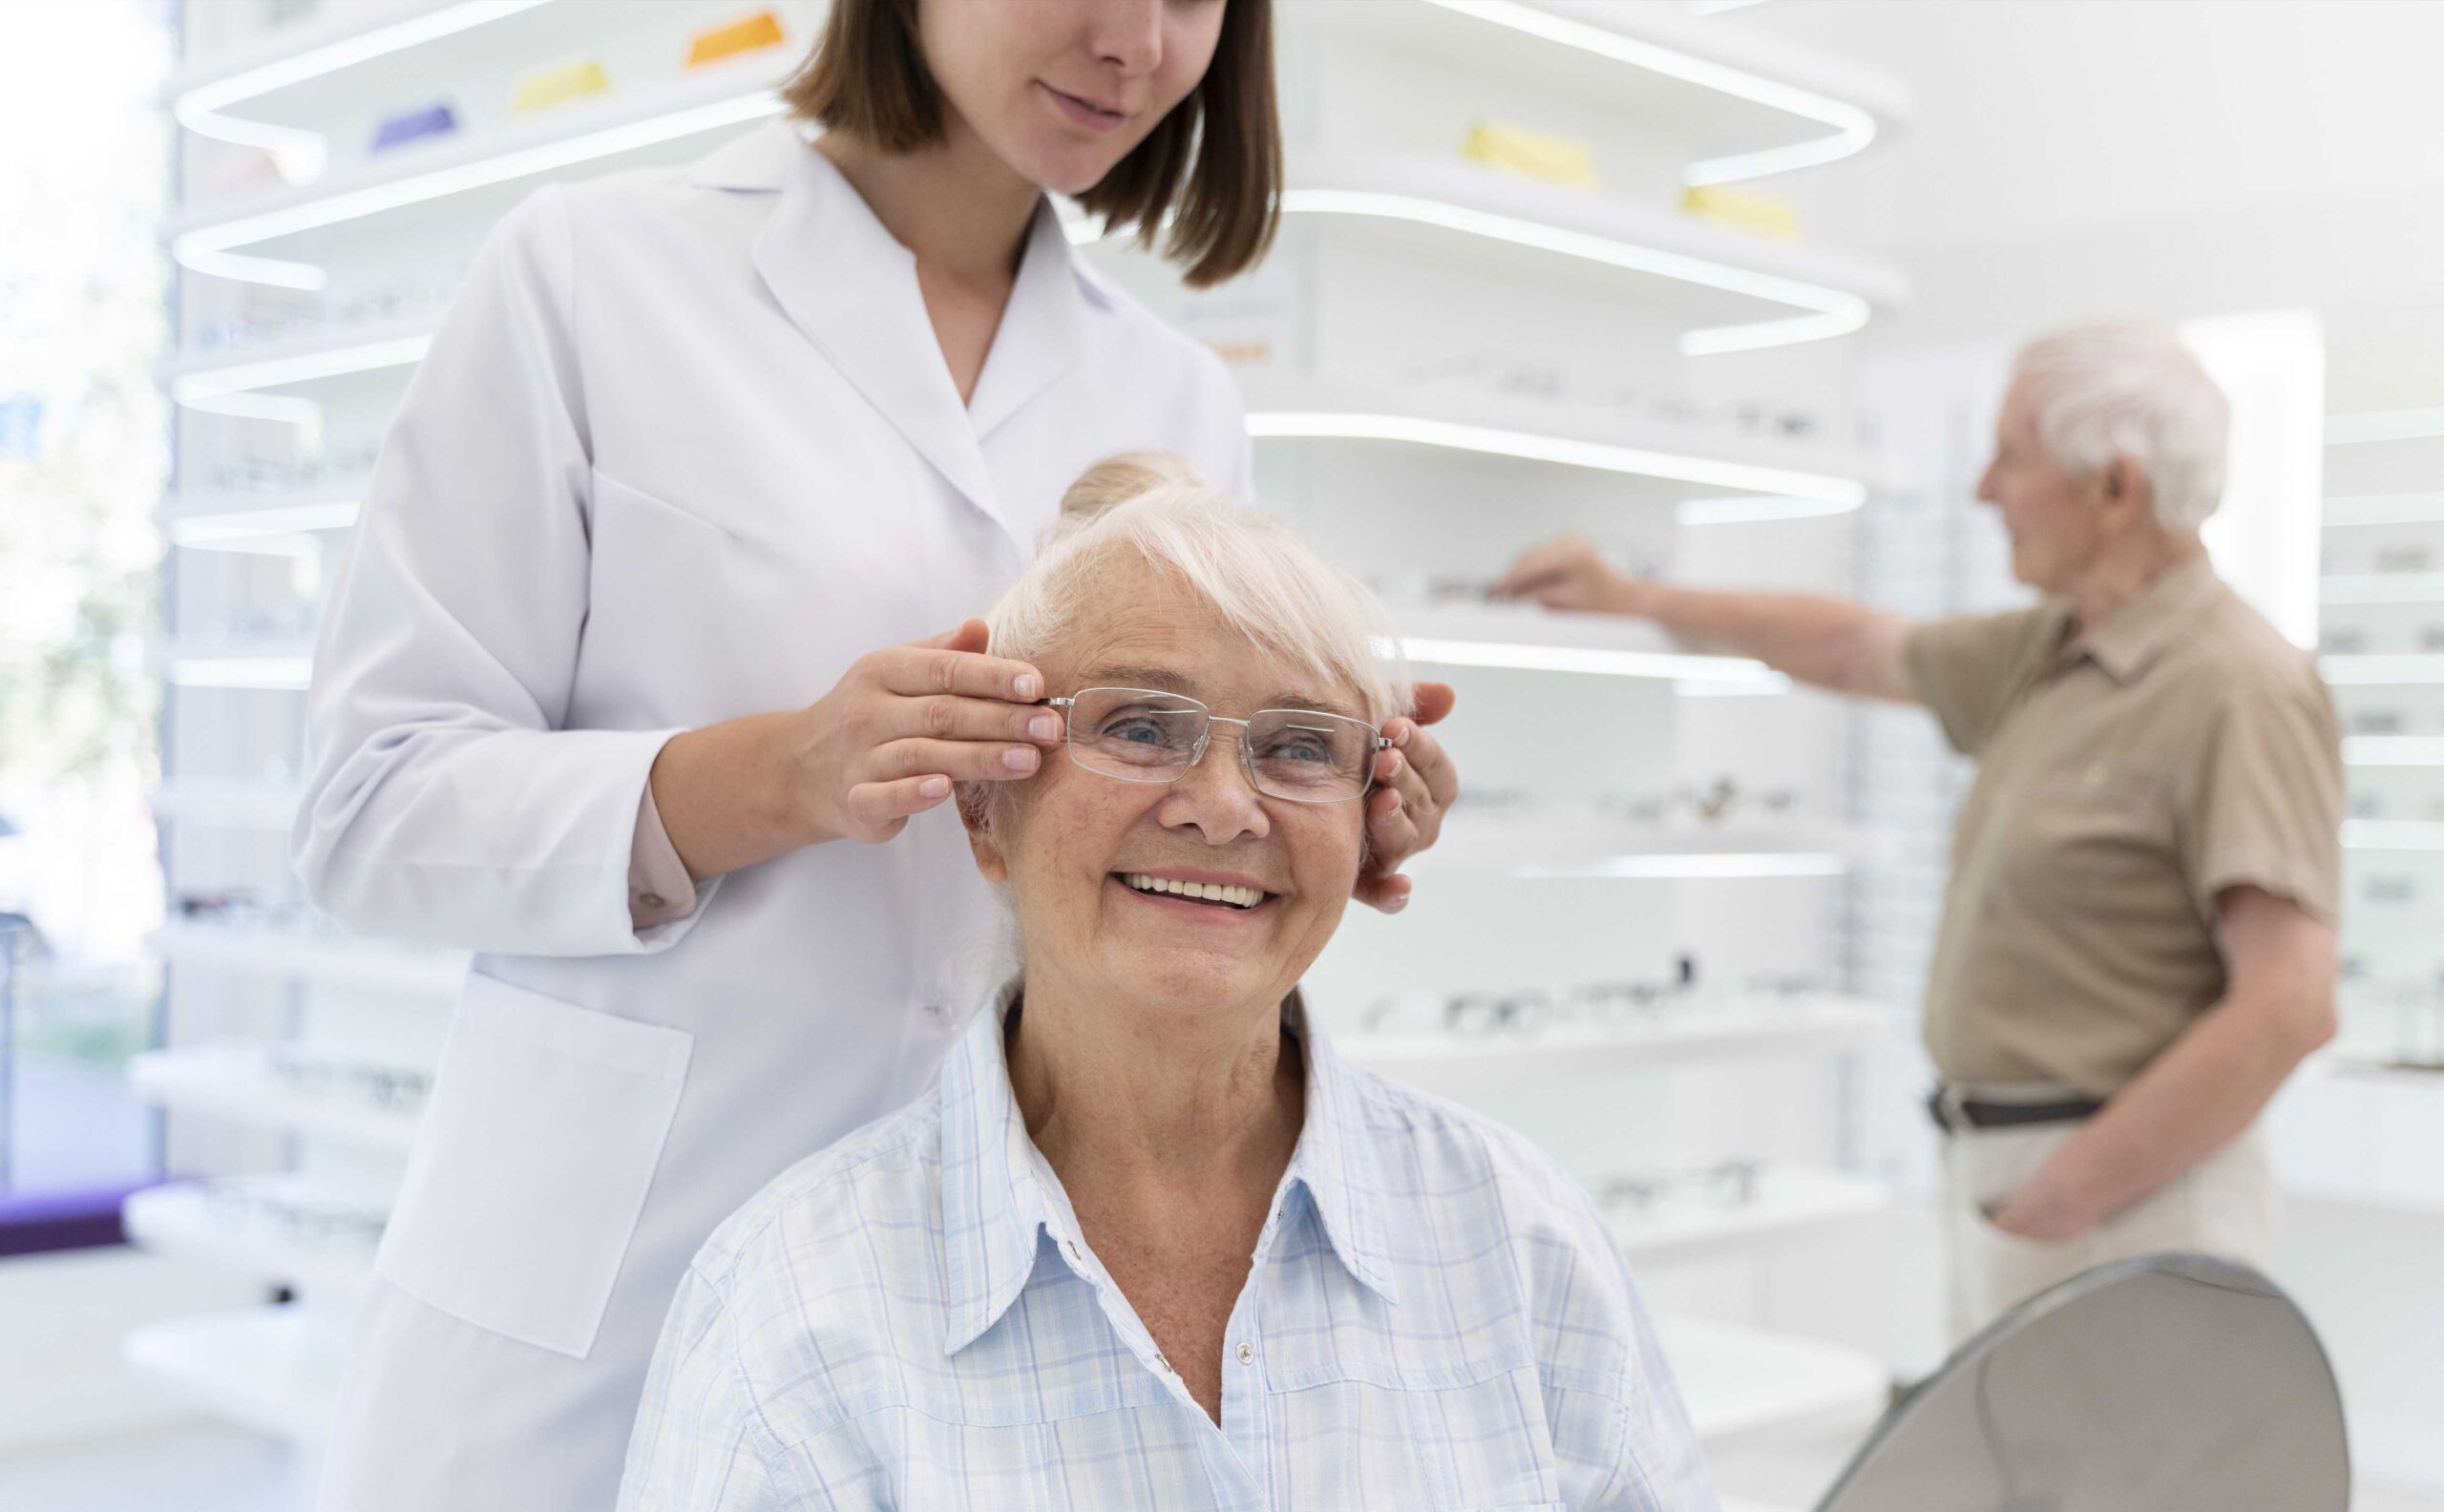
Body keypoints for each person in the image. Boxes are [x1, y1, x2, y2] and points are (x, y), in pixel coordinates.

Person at [289, 4, 1459, 1503]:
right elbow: (368, 808)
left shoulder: (1175, 396)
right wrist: (775, 776)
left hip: (967, 1308)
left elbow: (1136, 846)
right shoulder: (594, 271)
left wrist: (1311, 795)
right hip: (596, 1302)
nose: (1136, 42)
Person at [617, 453, 1712, 1510]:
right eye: (1141, 727)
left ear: (1372, 822)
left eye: (1297, 748)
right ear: (983, 812)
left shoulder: (1519, 1246)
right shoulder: (795, 1309)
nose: (1225, 807)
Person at [1495, 321, 2341, 1339]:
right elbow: (1856, 647)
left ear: (2113, 488)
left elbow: (2287, 1005)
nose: (1983, 490)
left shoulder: (2238, 685)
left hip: (2125, 1192)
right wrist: (1635, 598)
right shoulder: (2053, 647)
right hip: (2018, 1176)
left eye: (2010, 458)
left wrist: (2065, 1195)